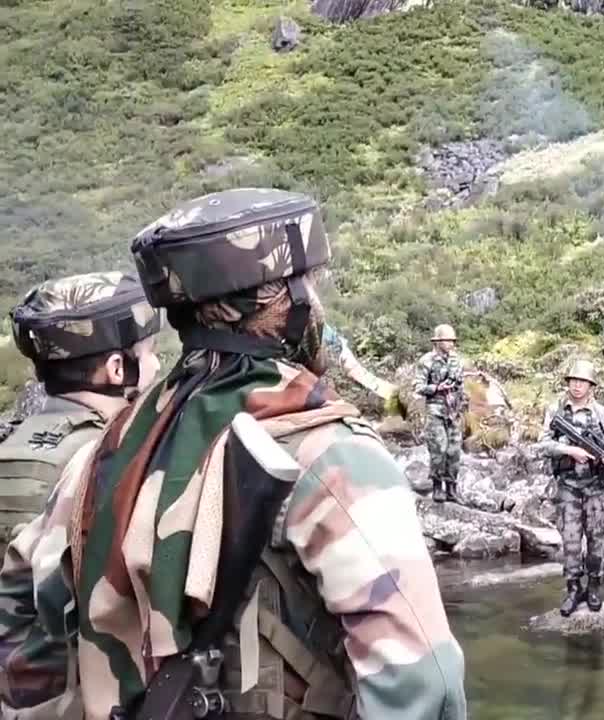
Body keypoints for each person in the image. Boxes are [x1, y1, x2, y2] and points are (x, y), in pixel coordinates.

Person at [21, 188, 466, 720]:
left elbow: (28, 627)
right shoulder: (330, 455)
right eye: (312, 285)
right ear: (284, 300)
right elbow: (424, 678)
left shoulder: (99, 453)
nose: (319, 306)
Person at [0, 272, 163, 717]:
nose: (156, 368)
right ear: (117, 369)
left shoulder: (9, 441)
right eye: (150, 356)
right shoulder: (106, 466)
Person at [537, 359, 604, 617]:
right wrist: (570, 450)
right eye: (573, 381)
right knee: (571, 541)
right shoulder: (556, 410)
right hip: (568, 488)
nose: (576, 386)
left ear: (591, 386)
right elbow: (542, 444)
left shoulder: (600, 413)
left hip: (596, 488)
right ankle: (573, 589)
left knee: (596, 539)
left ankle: (593, 587)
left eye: (582, 382)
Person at [413, 323, 467, 503]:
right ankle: (437, 487)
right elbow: (418, 387)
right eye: (448, 340)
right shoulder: (426, 361)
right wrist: (436, 388)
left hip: (453, 411)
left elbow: (460, 384)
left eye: (453, 340)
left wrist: (461, 400)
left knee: (454, 451)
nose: (451, 343)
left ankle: (451, 489)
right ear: (438, 341)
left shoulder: (456, 360)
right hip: (435, 411)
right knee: (438, 450)